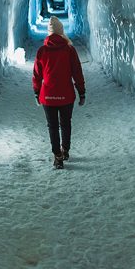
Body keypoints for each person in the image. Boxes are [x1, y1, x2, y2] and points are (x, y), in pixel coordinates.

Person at [32, 16, 86, 169]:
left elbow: (37, 74)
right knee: (66, 124)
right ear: (61, 32)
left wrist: (37, 92)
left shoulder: (42, 51)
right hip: (66, 95)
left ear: (49, 33)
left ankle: (57, 156)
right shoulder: (69, 49)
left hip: (48, 96)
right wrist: (81, 92)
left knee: (53, 126)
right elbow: (77, 72)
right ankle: (66, 150)